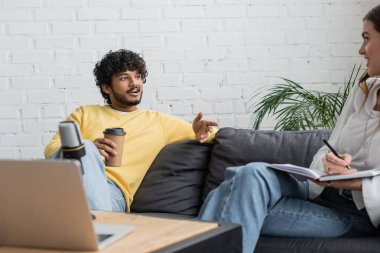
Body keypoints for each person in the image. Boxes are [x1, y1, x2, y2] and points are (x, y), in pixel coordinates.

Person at [198, 4, 380, 253]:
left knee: (226, 197)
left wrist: (357, 181)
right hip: (319, 192)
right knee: (250, 174)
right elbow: (327, 150)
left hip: (358, 214)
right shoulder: (363, 93)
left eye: (366, 39)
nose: (361, 50)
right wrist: (329, 164)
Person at [44, 49, 218, 212]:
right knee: (85, 149)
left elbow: (211, 136)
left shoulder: (160, 122)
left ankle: (92, 227)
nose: (134, 83)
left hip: (111, 193)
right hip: (70, 183)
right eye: (124, 78)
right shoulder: (84, 113)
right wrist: (89, 148)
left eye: (137, 76)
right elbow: (52, 150)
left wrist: (202, 133)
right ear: (107, 88)